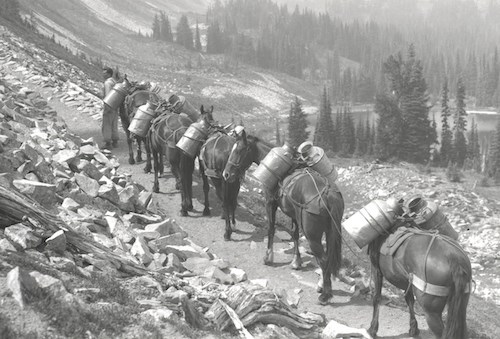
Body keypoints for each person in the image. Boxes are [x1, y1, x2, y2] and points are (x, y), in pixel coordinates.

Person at [101, 66, 119, 149]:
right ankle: (115, 140)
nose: (103, 75)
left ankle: (108, 143)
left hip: (109, 105)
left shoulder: (107, 83)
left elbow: (108, 95)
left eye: (105, 73)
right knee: (114, 123)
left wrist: (107, 106)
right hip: (115, 105)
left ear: (109, 74)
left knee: (107, 124)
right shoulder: (114, 81)